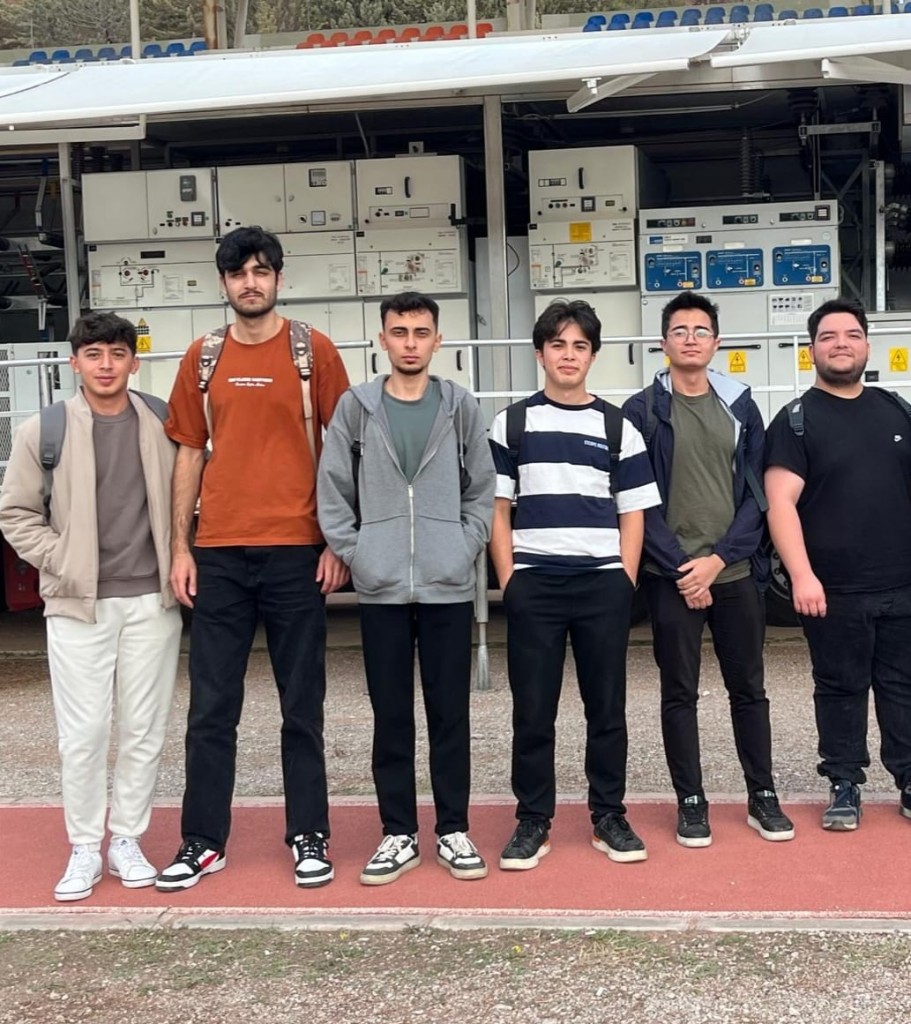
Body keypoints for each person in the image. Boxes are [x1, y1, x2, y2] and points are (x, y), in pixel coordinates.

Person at [155, 225, 350, 892]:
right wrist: (180, 547)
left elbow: (343, 448)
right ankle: (202, 841)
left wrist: (336, 541)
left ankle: (308, 835)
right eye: (239, 273)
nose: (250, 282)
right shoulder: (202, 357)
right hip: (218, 554)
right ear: (223, 283)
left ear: (279, 279)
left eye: (261, 271)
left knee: (302, 706)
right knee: (211, 707)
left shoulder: (313, 351)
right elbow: (188, 452)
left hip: (297, 552)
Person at [0, 311, 181, 902]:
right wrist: (63, 560)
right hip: (78, 604)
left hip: (152, 600)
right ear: (75, 362)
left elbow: (190, 494)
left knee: (144, 729)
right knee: (83, 734)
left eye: (117, 354)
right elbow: (16, 513)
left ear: (134, 360)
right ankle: (84, 845)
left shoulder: (162, 420)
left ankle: (126, 838)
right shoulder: (45, 429)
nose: (106, 365)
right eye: (95, 354)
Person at [317, 291, 495, 885]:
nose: (411, 343)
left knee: (450, 715)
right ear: (383, 339)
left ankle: (452, 830)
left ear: (438, 340)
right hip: (381, 587)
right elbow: (333, 488)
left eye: (421, 333)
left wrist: (464, 545)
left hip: (448, 585)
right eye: (400, 332)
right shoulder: (356, 408)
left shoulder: (460, 405)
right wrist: (358, 553)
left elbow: (482, 489)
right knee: (390, 716)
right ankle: (397, 833)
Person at [488, 298, 661, 871]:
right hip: (534, 585)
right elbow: (497, 510)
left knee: (606, 709)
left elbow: (633, 512)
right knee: (533, 711)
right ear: (540, 354)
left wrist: (623, 580)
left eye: (579, 345)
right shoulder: (511, 423)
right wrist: (511, 580)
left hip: (601, 586)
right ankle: (532, 820)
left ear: (592, 355)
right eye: (558, 344)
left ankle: (608, 815)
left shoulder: (618, 427)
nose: (568, 355)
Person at [623, 291, 794, 849]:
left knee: (749, 690)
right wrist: (682, 568)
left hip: (735, 573)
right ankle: (691, 801)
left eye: (700, 330)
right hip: (671, 578)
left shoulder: (740, 405)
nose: (690, 339)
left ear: (716, 342)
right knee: (680, 692)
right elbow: (637, 500)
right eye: (680, 330)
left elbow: (757, 495)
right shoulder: (642, 411)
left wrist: (718, 559)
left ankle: (762, 793)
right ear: (664, 343)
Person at [765, 296, 911, 831]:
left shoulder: (896, 410)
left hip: (903, 583)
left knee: (903, 687)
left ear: (867, 344)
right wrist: (802, 575)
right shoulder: (796, 421)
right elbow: (780, 503)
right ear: (812, 351)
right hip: (833, 590)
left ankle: (908, 777)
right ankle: (844, 782)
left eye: (851, 335)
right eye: (828, 337)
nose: (841, 344)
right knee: (840, 688)